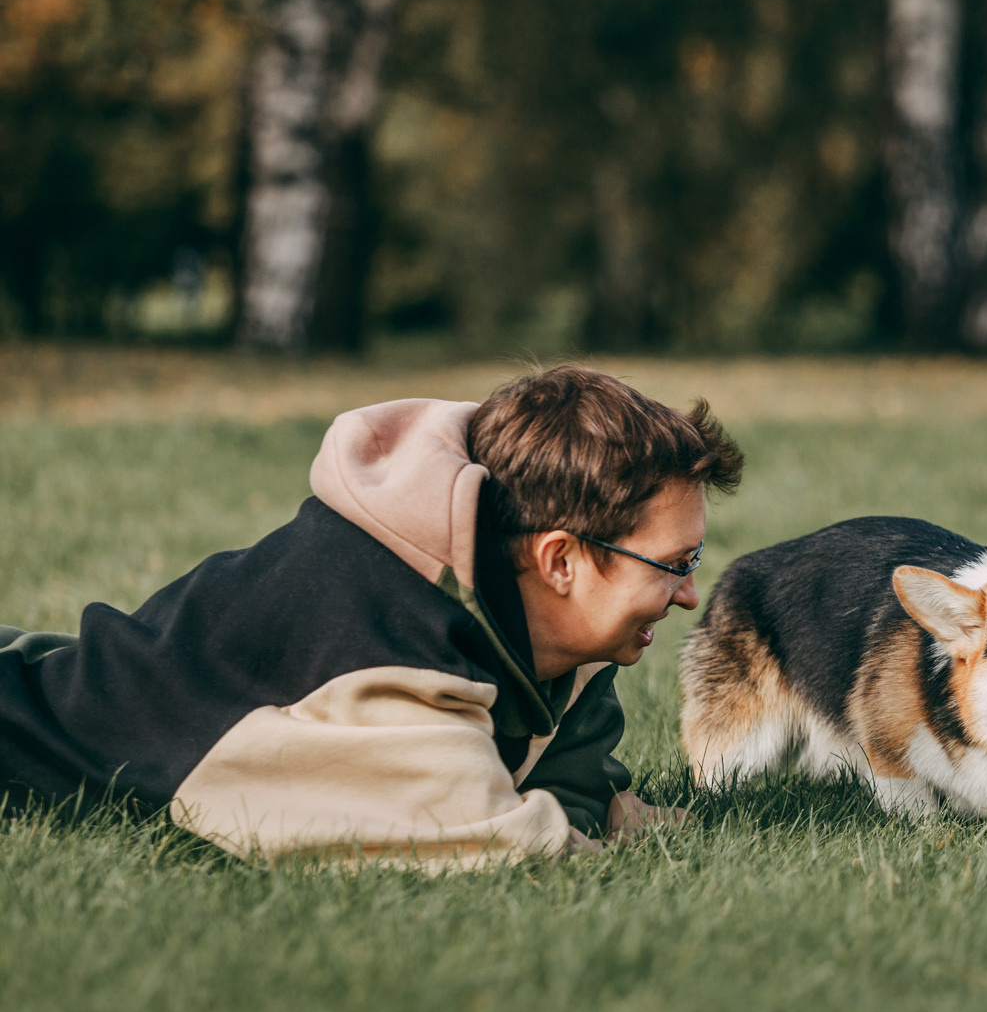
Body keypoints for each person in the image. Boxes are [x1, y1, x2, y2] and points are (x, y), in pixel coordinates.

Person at [0, 364, 742, 867]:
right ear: (559, 560)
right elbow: (497, 846)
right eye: (674, 564)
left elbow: (574, 793)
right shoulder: (388, 642)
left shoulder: (554, 634)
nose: (688, 595)